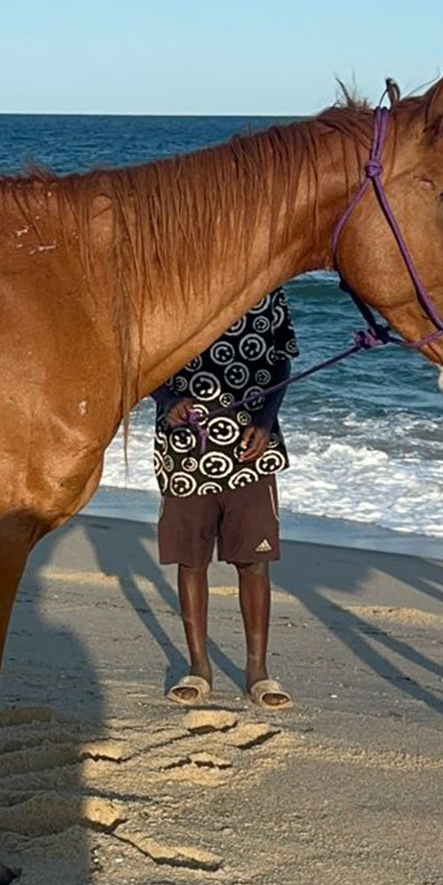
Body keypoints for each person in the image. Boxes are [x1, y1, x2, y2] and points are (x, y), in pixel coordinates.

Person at [151, 288, 298, 709]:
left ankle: (258, 672)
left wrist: (265, 421)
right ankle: (199, 669)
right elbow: (145, 358)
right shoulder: (173, 286)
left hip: (250, 445)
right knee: (191, 560)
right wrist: (167, 399)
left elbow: (281, 360)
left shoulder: (267, 290)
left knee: (254, 561)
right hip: (184, 446)